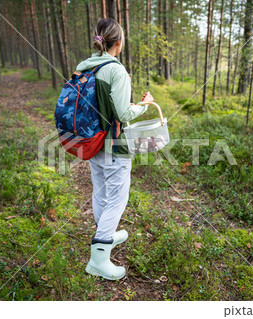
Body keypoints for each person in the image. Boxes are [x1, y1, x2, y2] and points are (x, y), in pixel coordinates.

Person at [75, 18, 151, 280]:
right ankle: (98, 259)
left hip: (91, 140)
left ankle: (104, 235)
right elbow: (122, 112)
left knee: (101, 190)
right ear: (118, 42)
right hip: (112, 142)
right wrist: (145, 105)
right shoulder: (115, 70)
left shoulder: (84, 66)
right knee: (118, 197)